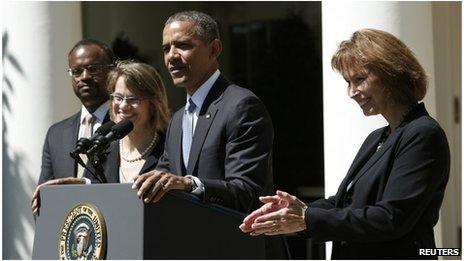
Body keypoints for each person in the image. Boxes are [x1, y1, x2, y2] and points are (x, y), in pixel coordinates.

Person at [239, 29, 450, 260]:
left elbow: (390, 218)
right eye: (348, 82)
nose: (352, 92)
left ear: (391, 73)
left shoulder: (423, 133)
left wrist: (307, 217)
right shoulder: (378, 137)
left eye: (359, 79)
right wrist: (288, 212)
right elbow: (344, 203)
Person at [131, 11, 288, 258]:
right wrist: (88, 186)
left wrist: (189, 184)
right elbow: (161, 179)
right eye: (166, 48)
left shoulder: (241, 106)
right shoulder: (178, 119)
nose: (172, 56)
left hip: (239, 249)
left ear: (214, 49)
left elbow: (246, 191)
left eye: (183, 45)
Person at [32, 39, 114, 215]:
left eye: (93, 69)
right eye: (77, 71)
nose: (84, 76)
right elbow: (43, 201)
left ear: (112, 71)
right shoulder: (56, 134)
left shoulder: (125, 127)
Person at [85, 60, 170, 183]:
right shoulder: (100, 151)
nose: (123, 106)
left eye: (133, 99)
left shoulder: (170, 149)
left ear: (153, 104)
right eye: (118, 97)